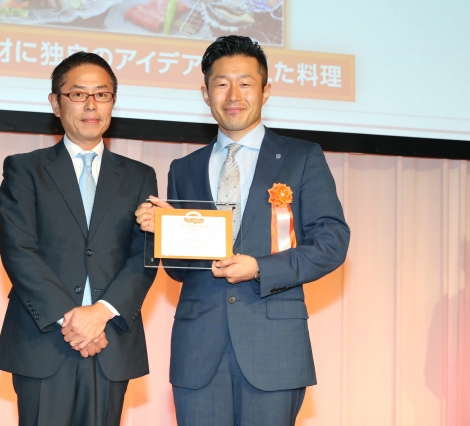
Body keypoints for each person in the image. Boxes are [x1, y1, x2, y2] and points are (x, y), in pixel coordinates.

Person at [135, 35, 350, 426]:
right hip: (199, 349)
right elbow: (180, 272)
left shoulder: (302, 157)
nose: (233, 95)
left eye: (245, 83)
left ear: (265, 91)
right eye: (221, 83)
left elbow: (331, 242)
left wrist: (260, 268)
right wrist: (164, 232)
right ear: (205, 93)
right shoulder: (184, 168)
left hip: (273, 348)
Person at [0, 52, 158, 426]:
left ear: (113, 102)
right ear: (56, 103)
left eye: (102, 94)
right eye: (78, 94)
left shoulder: (139, 176)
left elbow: (145, 255)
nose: (91, 105)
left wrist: (101, 313)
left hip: (110, 338)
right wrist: (73, 320)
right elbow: (18, 249)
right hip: (43, 339)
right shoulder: (25, 168)